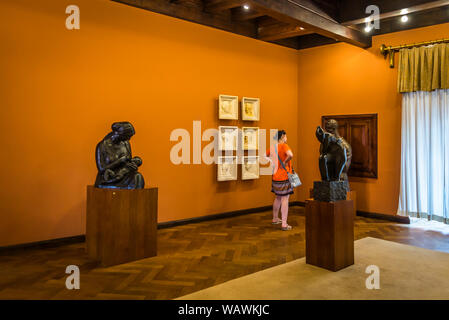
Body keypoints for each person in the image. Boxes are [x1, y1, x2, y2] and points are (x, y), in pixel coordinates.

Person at [265, 130, 294, 231]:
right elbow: (290, 155)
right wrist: (285, 162)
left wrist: (273, 162)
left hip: (275, 176)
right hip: (284, 176)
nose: (287, 138)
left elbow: (264, 156)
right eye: (286, 136)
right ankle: (284, 224)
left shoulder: (273, 147)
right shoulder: (284, 146)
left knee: (277, 197)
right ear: (282, 136)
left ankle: (275, 218)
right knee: (285, 199)